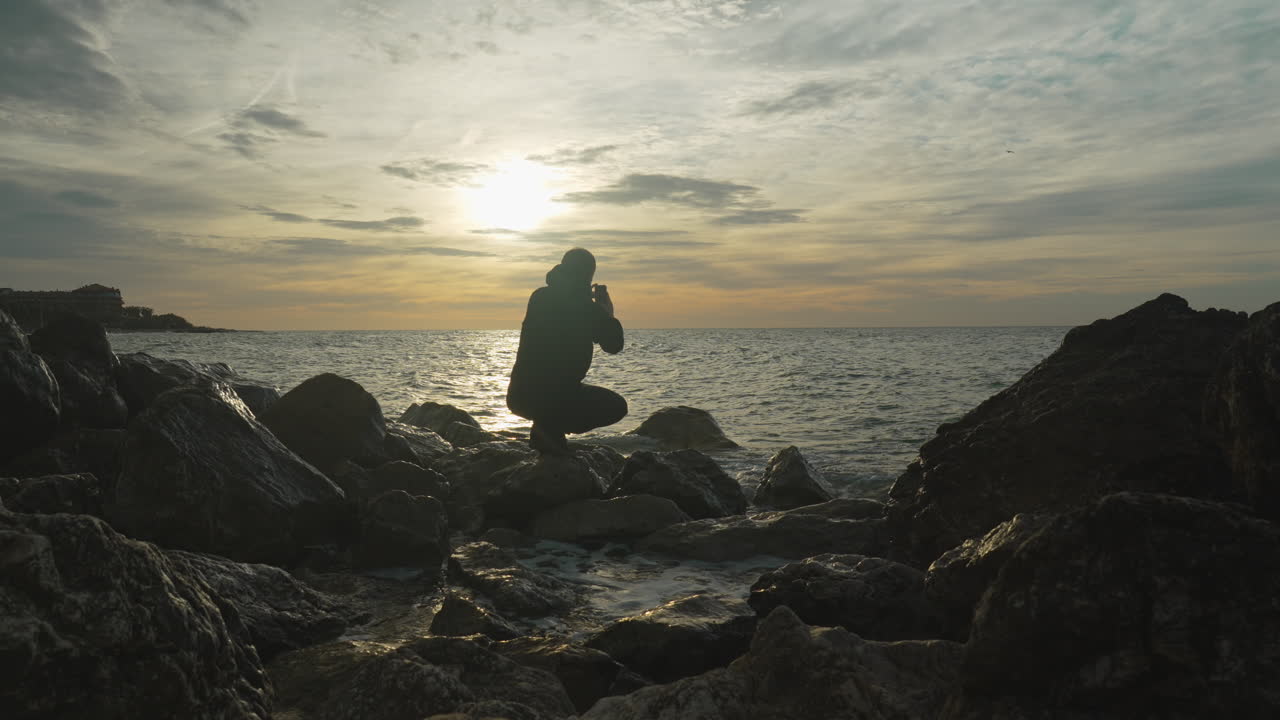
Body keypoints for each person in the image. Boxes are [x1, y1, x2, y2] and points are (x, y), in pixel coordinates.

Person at [506, 248, 627, 454]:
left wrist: (591, 306)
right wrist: (608, 315)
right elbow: (613, 345)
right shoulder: (586, 308)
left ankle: (546, 430)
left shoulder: (540, 297)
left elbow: (566, 305)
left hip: (520, 395)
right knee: (616, 406)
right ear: (588, 275)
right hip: (556, 397)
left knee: (556, 393)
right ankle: (549, 430)